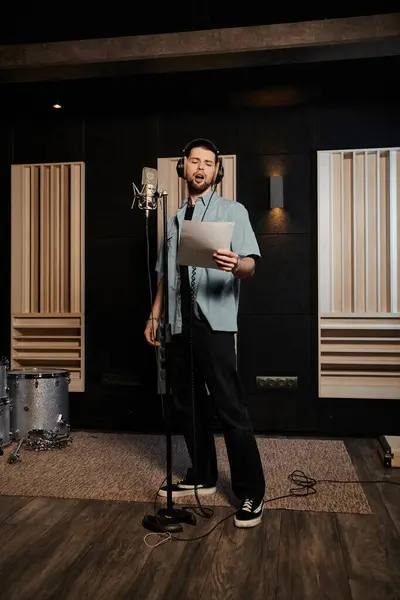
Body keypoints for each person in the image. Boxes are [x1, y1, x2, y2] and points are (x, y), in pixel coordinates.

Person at [144, 138, 265, 528]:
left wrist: (237, 264)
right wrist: (154, 316)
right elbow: (164, 275)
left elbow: (251, 265)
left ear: (217, 172)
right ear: (182, 168)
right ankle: (204, 474)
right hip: (178, 323)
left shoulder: (234, 210)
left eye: (208, 163)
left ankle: (251, 493)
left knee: (229, 407)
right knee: (187, 404)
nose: (200, 167)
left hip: (214, 321)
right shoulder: (174, 217)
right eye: (194, 161)